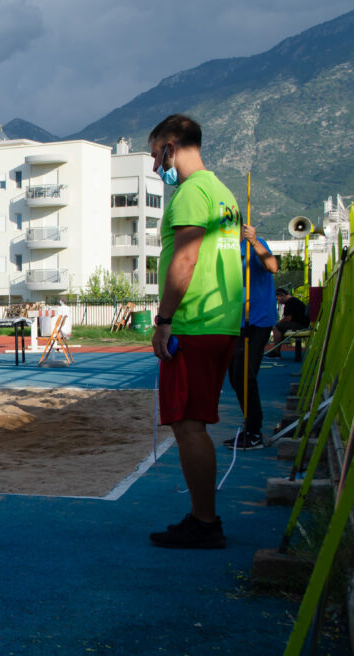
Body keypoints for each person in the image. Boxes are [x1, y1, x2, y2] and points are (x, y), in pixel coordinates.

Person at [147, 114, 243, 549]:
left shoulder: (189, 193)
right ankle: (204, 519)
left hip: (193, 325)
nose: (155, 168)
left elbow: (185, 261)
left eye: (154, 156)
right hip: (221, 322)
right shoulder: (222, 193)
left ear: (170, 146)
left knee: (188, 425)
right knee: (195, 421)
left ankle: (205, 523)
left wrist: (164, 320)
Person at [225, 225, 278, 450]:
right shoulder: (225, 250)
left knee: (246, 375)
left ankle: (254, 432)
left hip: (257, 320)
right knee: (235, 377)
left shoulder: (255, 244)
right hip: (237, 321)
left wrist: (254, 241)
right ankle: (250, 427)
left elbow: (273, 267)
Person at [268, 288, 308, 357]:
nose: (278, 301)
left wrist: (278, 323)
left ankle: (276, 351)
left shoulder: (290, 303)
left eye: (278, 299)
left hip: (300, 325)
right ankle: (277, 349)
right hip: (303, 323)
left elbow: (288, 318)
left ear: (282, 295)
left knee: (276, 327)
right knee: (280, 327)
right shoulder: (294, 301)